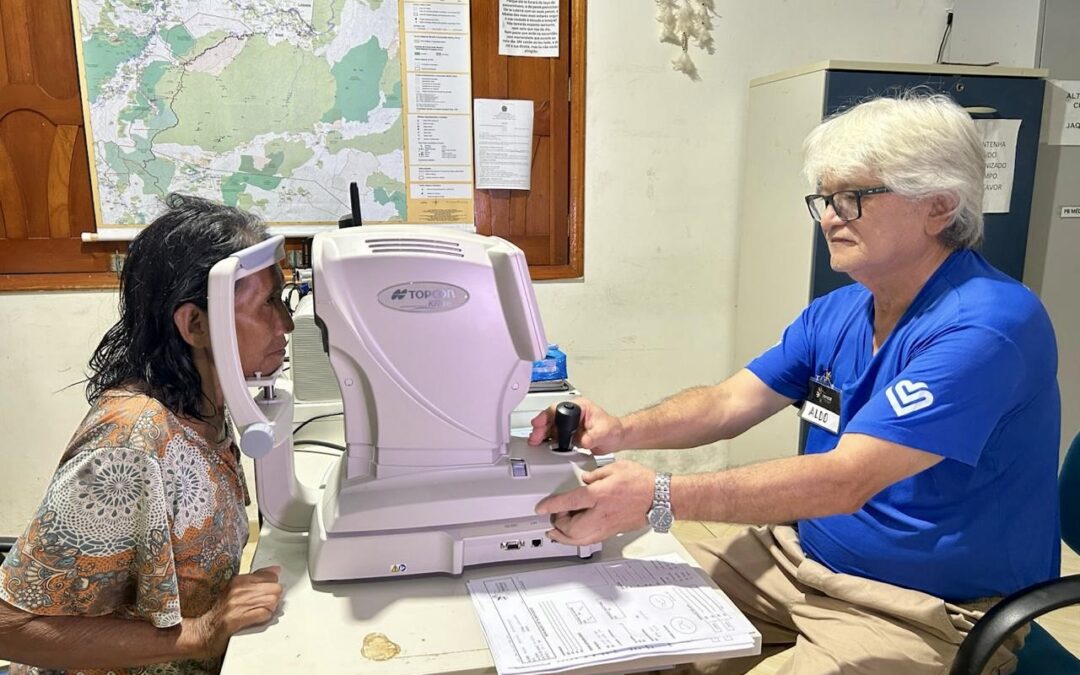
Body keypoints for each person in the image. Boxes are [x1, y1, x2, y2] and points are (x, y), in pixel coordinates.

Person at [529, 94, 1060, 674]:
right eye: (825, 199)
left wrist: (659, 495)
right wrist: (621, 430)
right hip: (796, 558)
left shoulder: (988, 325)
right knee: (601, 620)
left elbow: (847, 479)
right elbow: (730, 401)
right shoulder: (842, 309)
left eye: (854, 197)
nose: (831, 216)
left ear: (938, 207)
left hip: (918, 608)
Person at [0, 194, 292, 674]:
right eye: (268, 304)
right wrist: (200, 632)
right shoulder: (131, 442)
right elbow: (8, 627)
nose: (284, 324)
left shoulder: (207, 411)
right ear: (196, 324)